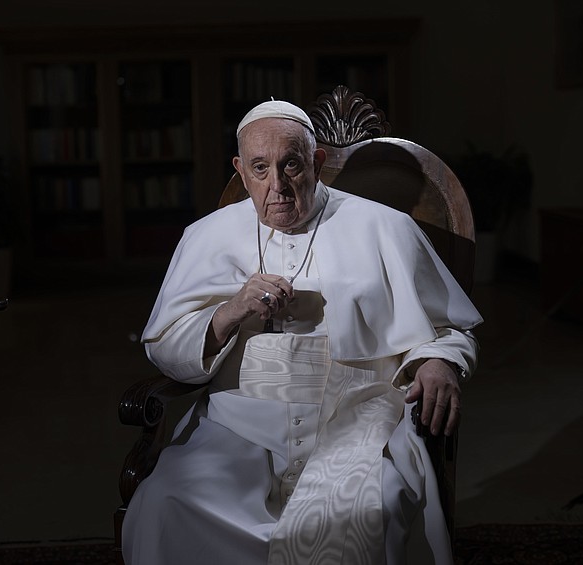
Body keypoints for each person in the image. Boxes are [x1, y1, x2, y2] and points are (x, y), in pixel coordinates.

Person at [122, 100, 483, 565]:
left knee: (371, 513)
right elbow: (166, 347)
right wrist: (230, 311)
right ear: (241, 170)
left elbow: (450, 325)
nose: (277, 186)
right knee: (165, 501)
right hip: (238, 426)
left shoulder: (386, 228)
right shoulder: (205, 235)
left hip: (359, 420)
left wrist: (438, 360)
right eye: (259, 168)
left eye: (290, 164)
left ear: (314, 162)